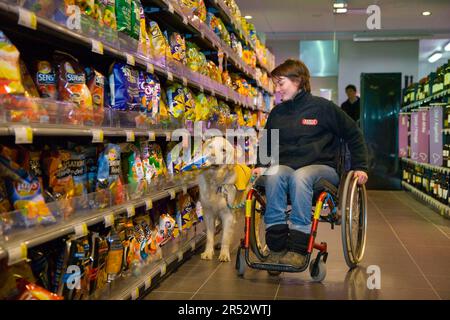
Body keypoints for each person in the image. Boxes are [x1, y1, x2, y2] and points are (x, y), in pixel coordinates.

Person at [252, 59, 369, 268]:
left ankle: (298, 248)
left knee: (301, 176)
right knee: (274, 173)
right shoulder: (278, 113)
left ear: (298, 81)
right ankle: (276, 247)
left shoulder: (323, 108)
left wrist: (360, 166)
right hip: (286, 168)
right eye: (276, 85)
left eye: (281, 84)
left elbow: (354, 134)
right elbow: (267, 141)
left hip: (322, 170)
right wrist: (262, 164)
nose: (277, 90)